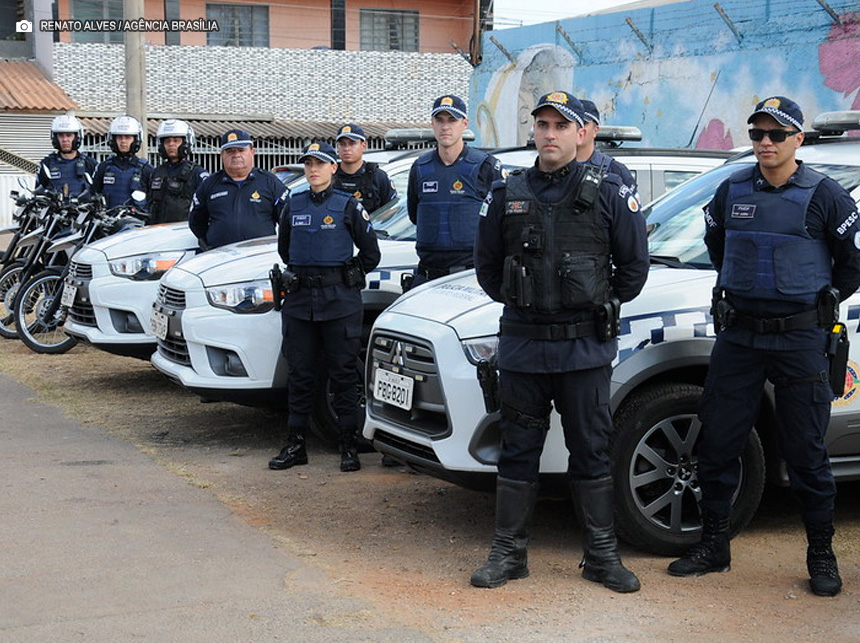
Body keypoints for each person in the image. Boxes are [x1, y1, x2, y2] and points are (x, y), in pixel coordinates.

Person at [667, 96, 860, 597]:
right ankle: (714, 545)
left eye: (777, 134)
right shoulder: (731, 191)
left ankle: (821, 553)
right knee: (718, 442)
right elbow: (717, 246)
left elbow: (853, 263)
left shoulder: (826, 195)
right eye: (757, 135)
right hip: (740, 336)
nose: (766, 143)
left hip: (799, 338)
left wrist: (823, 300)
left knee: (806, 452)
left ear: (798, 139)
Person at [471, 91, 649, 593]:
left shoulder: (610, 191)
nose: (549, 134)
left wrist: (593, 301)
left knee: (591, 449)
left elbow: (634, 269)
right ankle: (508, 553)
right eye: (542, 124)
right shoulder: (508, 191)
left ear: (580, 133)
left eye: (560, 126)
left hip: (583, 350)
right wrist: (525, 301)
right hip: (525, 348)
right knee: (518, 449)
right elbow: (486, 267)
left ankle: (601, 556)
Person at [269, 142, 380, 473]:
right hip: (301, 302)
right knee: (301, 374)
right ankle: (296, 444)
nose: (313, 169)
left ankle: (348, 443)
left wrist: (346, 275)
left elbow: (371, 253)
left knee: (343, 374)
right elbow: (285, 250)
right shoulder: (294, 203)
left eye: (320, 163)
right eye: (308, 164)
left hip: (339, 302)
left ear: (333, 168)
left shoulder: (347, 205)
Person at [406, 94, 503, 287]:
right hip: (427, 277)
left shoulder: (485, 166)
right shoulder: (420, 167)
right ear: (432, 123)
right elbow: (415, 215)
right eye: (439, 120)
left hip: (470, 277)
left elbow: (501, 223)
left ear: (464, 123)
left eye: (452, 120)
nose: (445, 127)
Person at [188, 129, 287, 250]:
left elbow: (286, 218)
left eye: (241, 150)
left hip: (259, 256)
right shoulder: (209, 184)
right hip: (219, 257)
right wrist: (210, 241)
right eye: (230, 151)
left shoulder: (269, 182)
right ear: (222, 155)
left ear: (252, 151)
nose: (236, 155)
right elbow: (196, 221)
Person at [577, 99, 639, 203]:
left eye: (583, 123)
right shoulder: (552, 168)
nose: (579, 129)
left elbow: (632, 216)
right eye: (574, 123)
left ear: (595, 130)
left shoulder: (615, 170)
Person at [148, 119, 209, 225]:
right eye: (167, 141)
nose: (171, 144)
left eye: (176, 140)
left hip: (182, 231)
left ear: (185, 142)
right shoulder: (156, 172)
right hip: (157, 231)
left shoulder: (196, 173)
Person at [92, 115, 153, 211]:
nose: (123, 141)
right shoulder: (103, 167)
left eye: (127, 137)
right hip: (107, 221)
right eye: (119, 137)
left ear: (136, 140)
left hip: (137, 222)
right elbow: (93, 194)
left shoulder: (146, 170)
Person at [334, 123, 397, 213]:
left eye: (352, 143)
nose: (346, 148)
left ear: (363, 146)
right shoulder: (329, 176)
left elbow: (391, 213)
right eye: (342, 144)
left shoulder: (378, 177)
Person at [36, 114, 97, 199]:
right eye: (61, 135)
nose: (65, 139)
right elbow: (38, 195)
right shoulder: (46, 165)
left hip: (82, 211)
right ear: (55, 138)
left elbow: (98, 194)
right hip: (55, 211)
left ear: (77, 137)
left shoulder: (90, 164)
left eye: (69, 135)